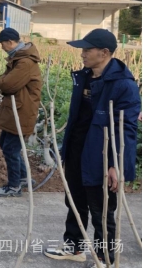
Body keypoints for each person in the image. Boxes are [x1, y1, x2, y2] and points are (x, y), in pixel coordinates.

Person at [44, 29, 141, 268]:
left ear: (104, 52)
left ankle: (104, 258)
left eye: (88, 49)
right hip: (77, 151)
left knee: (101, 210)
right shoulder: (85, 76)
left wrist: (116, 164)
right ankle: (74, 247)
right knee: (74, 202)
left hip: (101, 156)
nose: (83, 54)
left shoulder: (123, 85)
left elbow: (126, 129)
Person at [0, 27, 42, 197]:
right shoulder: (19, 59)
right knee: (5, 143)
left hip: (21, 112)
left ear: (10, 42)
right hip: (16, 109)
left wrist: (1, 81)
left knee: (11, 149)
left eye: (2, 43)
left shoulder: (24, 62)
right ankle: (24, 178)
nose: (1, 47)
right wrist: (4, 80)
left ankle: (14, 186)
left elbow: (7, 84)